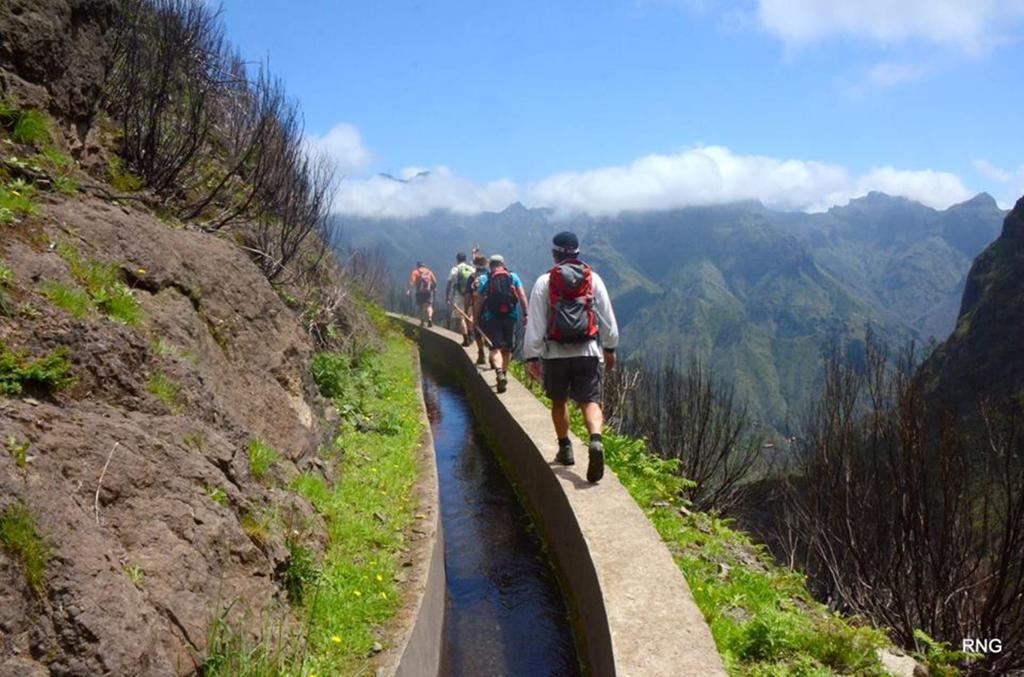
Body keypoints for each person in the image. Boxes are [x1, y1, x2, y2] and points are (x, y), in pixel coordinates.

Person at [523, 231, 619, 484]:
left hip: (555, 353)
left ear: (554, 253)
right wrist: (610, 348)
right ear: (577, 252)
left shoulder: (545, 282)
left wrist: (531, 356)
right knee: (590, 401)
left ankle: (565, 448)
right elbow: (607, 318)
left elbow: (536, 322)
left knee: (559, 401)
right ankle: (596, 441)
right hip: (587, 351)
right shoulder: (593, 279)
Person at [473, 254, 528, 394]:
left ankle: (498, 372)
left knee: (495, 347)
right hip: (510, 316)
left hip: (492, 317)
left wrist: (475, 318)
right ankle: (504, 372)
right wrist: (526, 314)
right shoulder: (513, 277)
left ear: (490, 265)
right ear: (503, 264)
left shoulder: (486, 278)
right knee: (507, 348)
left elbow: (479, 300)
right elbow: (522, 296)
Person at [445, 252, 476, 346]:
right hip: (470, 296)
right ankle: (471, 334)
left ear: (457, 259)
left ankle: (466, 338)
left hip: (459, 296)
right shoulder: (471, 269)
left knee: (460, 317)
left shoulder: (455, 269)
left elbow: (449, 283)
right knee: (469, 315)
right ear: (465, 259)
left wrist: (447, 296)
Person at [465, 251, 490, 366]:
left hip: (477, 308)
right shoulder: (491, 275)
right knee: (490, 331)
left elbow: (468, 295)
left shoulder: (472, 277)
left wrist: (466, 309)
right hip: (491, 309)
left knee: (477, 331)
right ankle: (492, 356)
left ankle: (481, 354)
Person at [406, 261, 437, 327]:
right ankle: (430, 318)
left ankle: (422, 320)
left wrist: (409, 290)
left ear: (418, 266)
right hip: (428, 291)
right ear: (424, 266)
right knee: (429, 306)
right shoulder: (429, 272)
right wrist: (434, 288)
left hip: (419, 292)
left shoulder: (415, 272)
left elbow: (412, 282)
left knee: (421, 306)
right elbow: (435, 282)